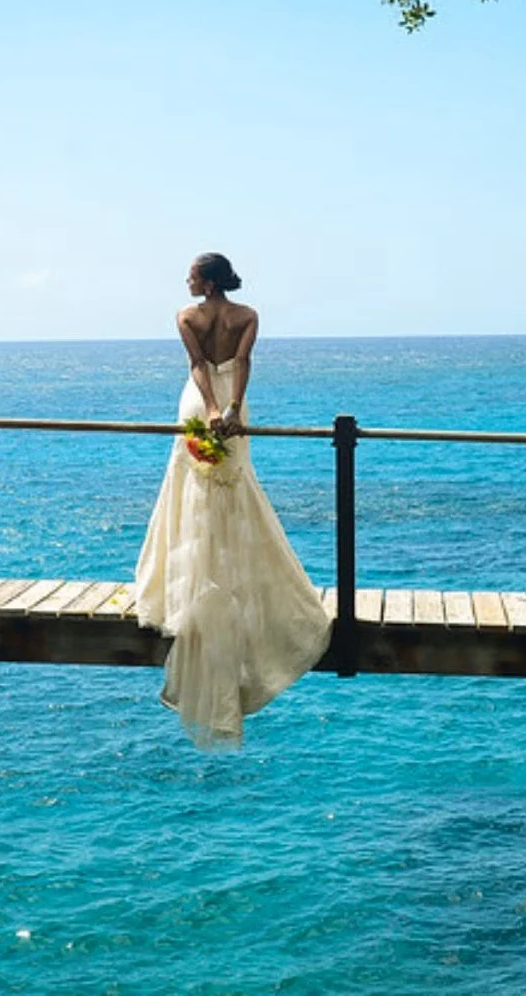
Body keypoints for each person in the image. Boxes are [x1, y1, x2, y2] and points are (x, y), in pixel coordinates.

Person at [132, 253, 331, 748]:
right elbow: (240, 363)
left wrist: (214, 408)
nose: (187, 281)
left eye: (192, 275)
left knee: (192, 487)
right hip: (233, 401)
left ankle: (192, 580)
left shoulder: (186, 316)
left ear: (208, 280)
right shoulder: (248, 316)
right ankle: (231, 577)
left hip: (199, 401)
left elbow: (198, 365)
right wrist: (235, 407)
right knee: (234, 486)